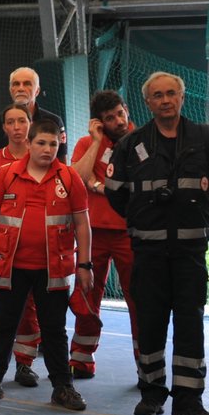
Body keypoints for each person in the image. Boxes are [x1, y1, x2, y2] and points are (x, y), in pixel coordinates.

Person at [106, 71, 209, 415]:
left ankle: (189, 400)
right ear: (147, 102)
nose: (165, 100)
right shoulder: (131, 144)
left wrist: (199, 220)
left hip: (190, 252)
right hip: (148, 252)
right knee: (150, 322)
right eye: (157, 95)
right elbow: (116, 193)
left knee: (191, 322)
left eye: (171, 93)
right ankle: (151, 393)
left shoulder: (207, 140)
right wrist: (143, 219)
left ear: (182, 96)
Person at [0, 118, 93, 410]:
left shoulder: (69, 178)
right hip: (10, 268)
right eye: (41, 143)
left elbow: (83, 223)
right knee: (3, 326)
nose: (48, 149)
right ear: (28, 143)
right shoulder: (6, 175)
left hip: (54, 271)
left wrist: (84, 264)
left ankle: (63, 387)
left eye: (53, 144)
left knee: (54, 330)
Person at [68, 90, 139, 381]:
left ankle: (146, 366)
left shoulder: (143, 141)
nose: (118, 121)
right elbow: (75, 178)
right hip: (93, 233)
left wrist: (98, 185)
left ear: (127, 111)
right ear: (99, 122)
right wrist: (96, 142)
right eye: (110, 118)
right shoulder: (87, 143)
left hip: (130, 233)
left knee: (139, 299)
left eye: (120, 113)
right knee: (86, 295)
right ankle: (82, 360)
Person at [0, 105, 43, 386]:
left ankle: (24, 364)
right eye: (11, 122)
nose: (17, 127)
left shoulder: (40, 158)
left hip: (32, 251)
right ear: (4, 128)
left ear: (30, 124)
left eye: (22, 121)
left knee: (30, 308)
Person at [0, 65, 66, 159]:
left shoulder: (53, 122)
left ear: (37, 91)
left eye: (27, 84)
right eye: (16, 84)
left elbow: (62, 164)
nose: (21, 88)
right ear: (11, 90)